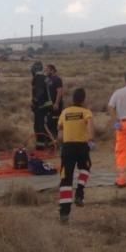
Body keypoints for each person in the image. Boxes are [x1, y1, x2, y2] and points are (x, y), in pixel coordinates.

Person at [56, 87, 94, 224]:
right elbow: (90, 126)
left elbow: (59, 127)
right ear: (83, 99)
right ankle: (79, 192)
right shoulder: (86, 112)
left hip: (67, 148)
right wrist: (90, 139)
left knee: (66, 179)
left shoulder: (65, 112)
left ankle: (64, 213)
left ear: (73, 99)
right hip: (82, 146)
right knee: (86, 168)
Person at [29, 61, 52, 150]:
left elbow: (40, 92)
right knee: (40, 126)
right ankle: (42, 145)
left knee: (40, 126)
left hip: (41, 106)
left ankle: (46, 145)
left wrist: (34, 102)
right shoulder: (44, 78)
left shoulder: (38, 78)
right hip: (45, 106)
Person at [44, 64, 64, 142]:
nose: (46, 71)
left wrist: (56, 103)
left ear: (52, 70)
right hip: (48, 105)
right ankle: (50, 141)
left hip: (55, 105)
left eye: (47, 70)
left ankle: (54, 142)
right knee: (48, 123)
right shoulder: (47, 79)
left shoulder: (57, 79)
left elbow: (59, 92)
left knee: (54, 123)